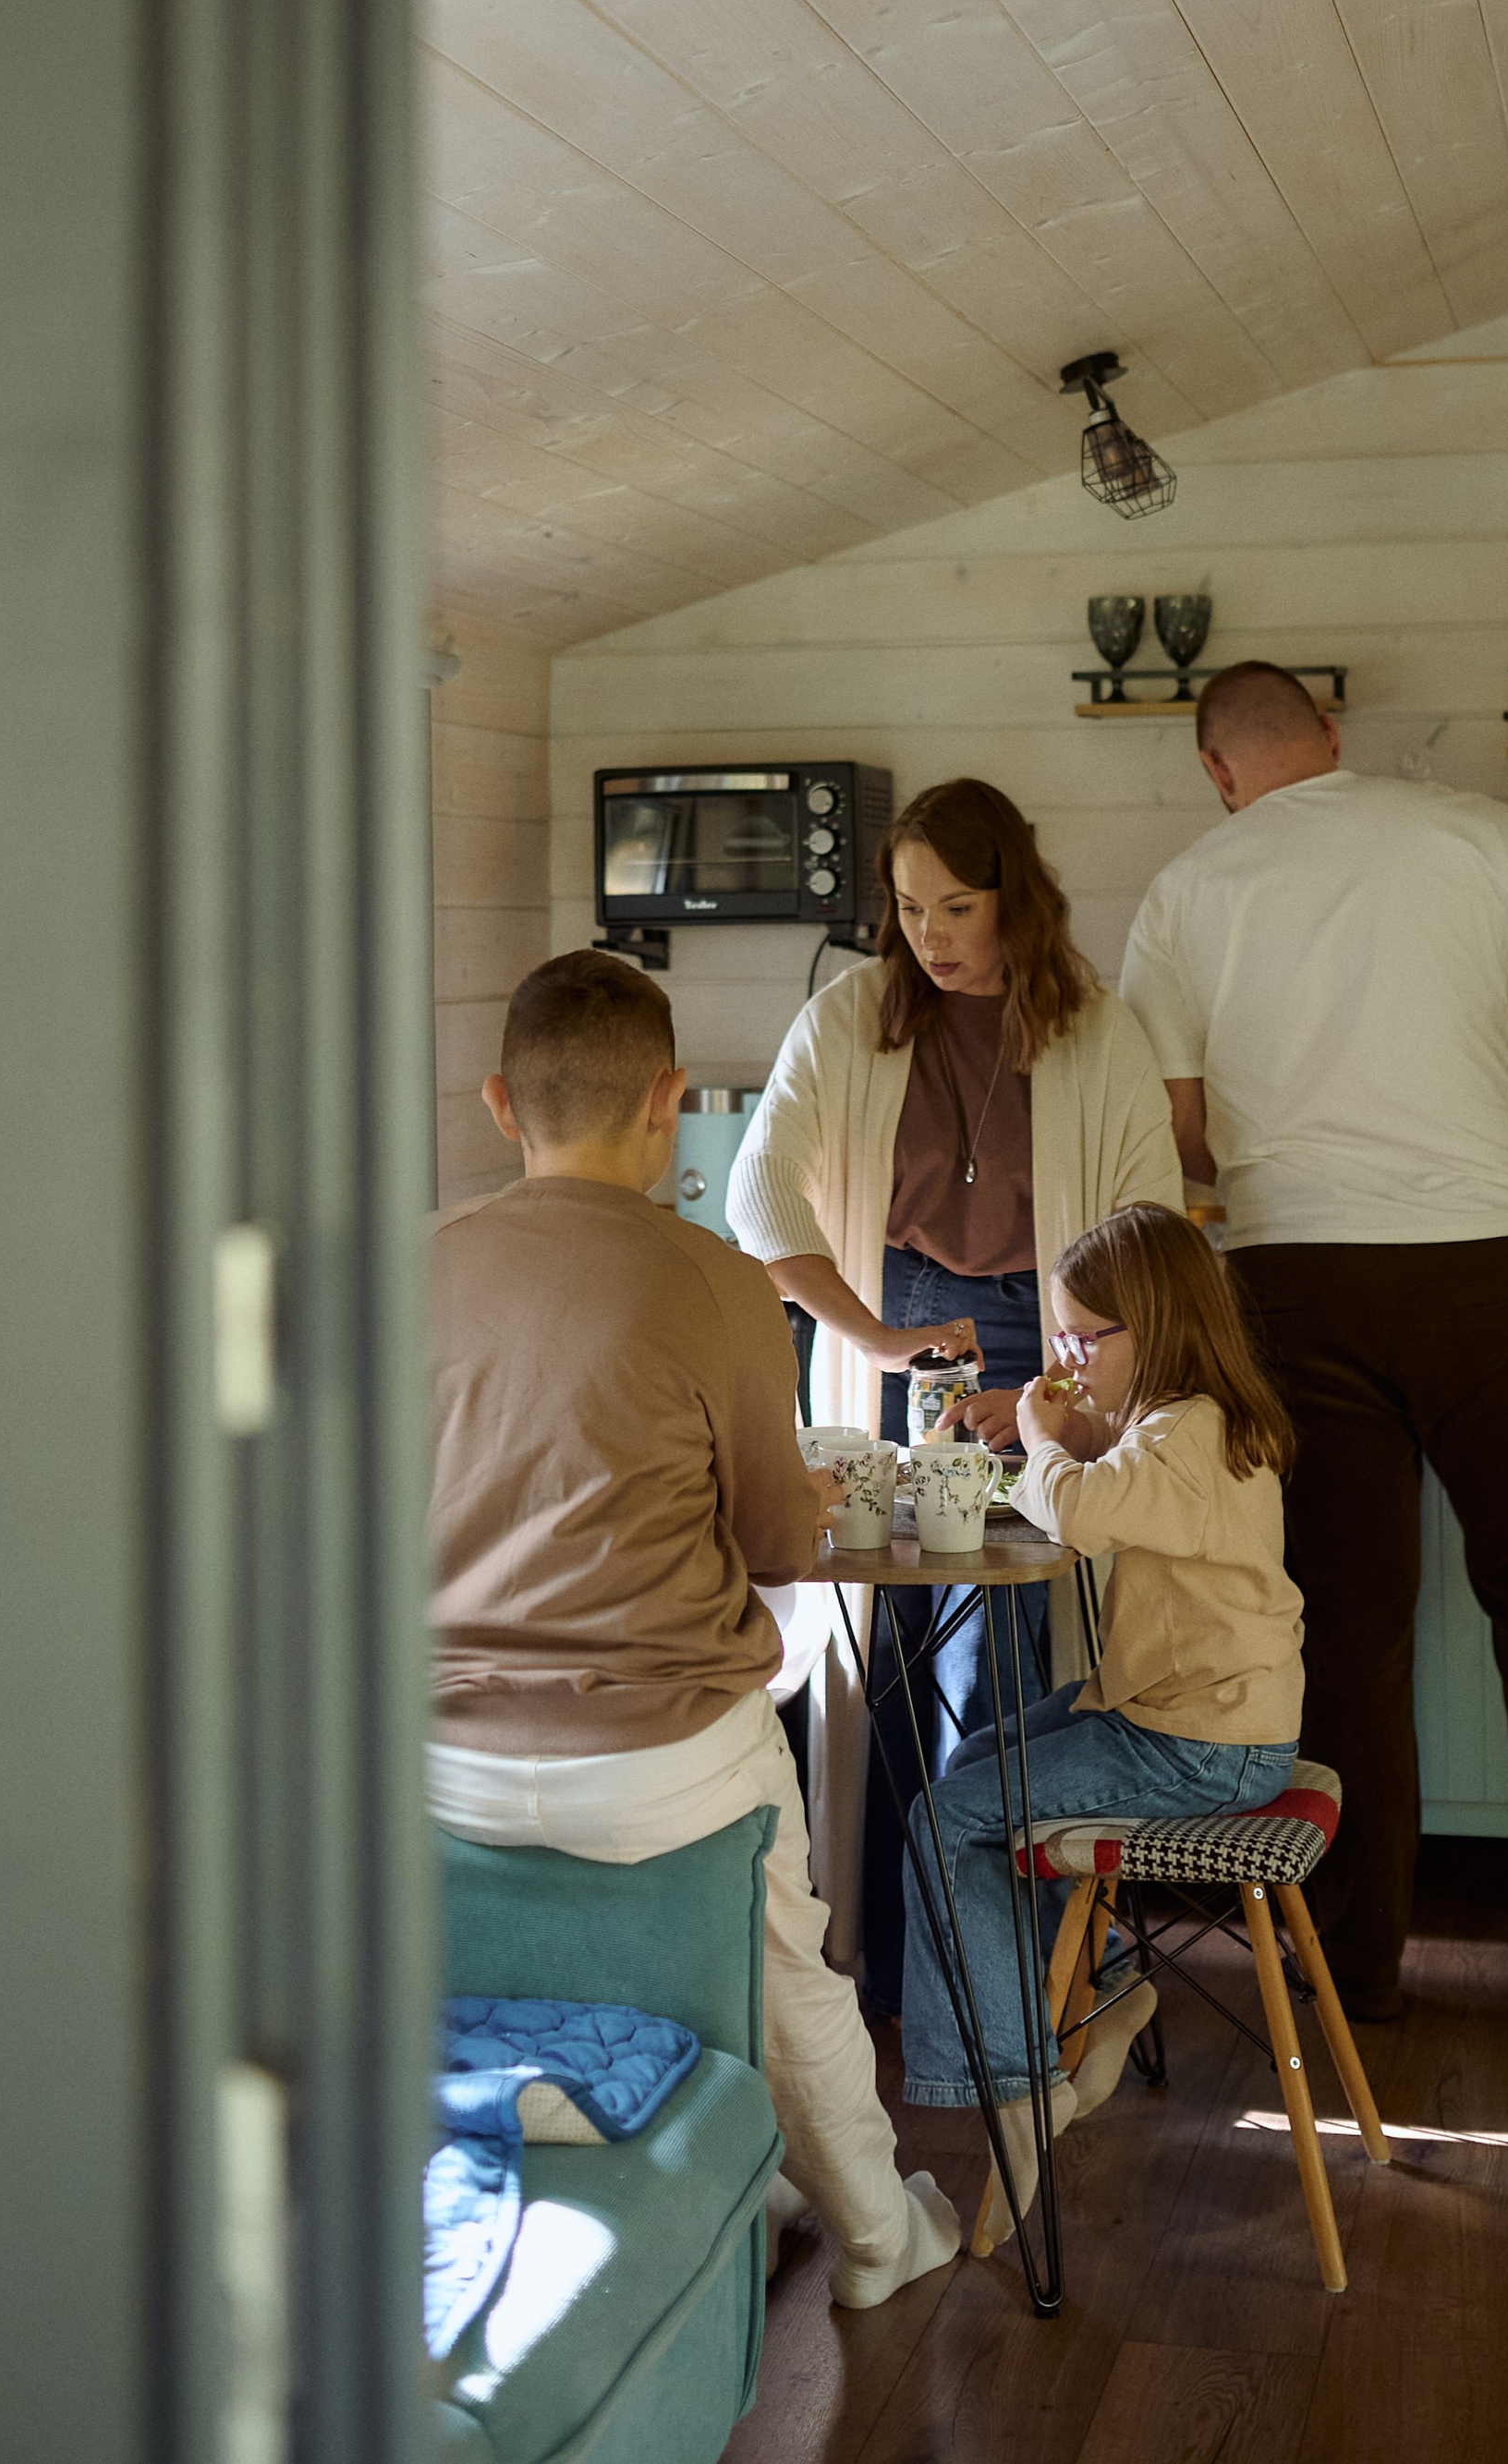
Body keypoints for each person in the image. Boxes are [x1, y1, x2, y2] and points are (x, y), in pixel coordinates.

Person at [1118, 661, 1508, 2027]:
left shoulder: (1190, 887)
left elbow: (1184, 1123)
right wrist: (1504, 968)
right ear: (1333, 737)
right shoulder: (1460, 828)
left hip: (1295, 1281)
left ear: (1217, 770)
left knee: (1349, 1632)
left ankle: (1359, 1966)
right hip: (1494, 1275)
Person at [425, 951, 962, 2310]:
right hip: (662, 1766)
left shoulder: (411, 1262)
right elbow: (783, 1546)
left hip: (441, 1763)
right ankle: (878, 2241)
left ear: (500, 1103)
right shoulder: (721, 1280)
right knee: (795, 1954)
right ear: (669, 1100)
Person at [726, 778, 1183, 1985]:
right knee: (881, 1639)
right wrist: (868, 1335)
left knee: (1008, 1649)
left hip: (1053, 1340)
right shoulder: (850, 1016)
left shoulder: (1097, 1026)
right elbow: (757, 1194)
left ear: (1013, 901)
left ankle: (1006, 1968)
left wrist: (1080, 1396)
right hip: (905, 1322)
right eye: (910, 906)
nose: (930, 933)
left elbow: (1148, 1235)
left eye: (958, 906)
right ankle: (884, 1953)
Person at [902, 1206, 1303, 2239]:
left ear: (1156, 1323)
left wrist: (1041, 1438)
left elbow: (1082, 1513)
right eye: (1064, 1332)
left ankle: (1014, 2083)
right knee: (988, 1758)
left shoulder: (1187, 1436)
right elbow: (1119, 1476)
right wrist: (1073, 1431)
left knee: (943, 1818)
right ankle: (1110, 1976)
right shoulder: (1190, 1419)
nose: (1068, 1353)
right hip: (1203, 1721)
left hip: (1198, 1747)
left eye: (1088, 1335)